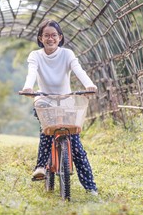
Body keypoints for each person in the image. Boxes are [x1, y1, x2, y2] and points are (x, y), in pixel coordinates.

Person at [20, 19, 98, 196]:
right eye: (46, 35)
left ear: (60, 37)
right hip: (45, 99)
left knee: (76, 145)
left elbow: (78, 70)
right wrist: (28, 87)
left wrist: (89, 85)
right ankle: (41, 166)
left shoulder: (67, 54)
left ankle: (90, 187)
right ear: (40, 38)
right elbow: (32, 71)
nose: (50, 38)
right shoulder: (35, 55)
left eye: (54, 35)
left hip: (66, 100)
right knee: (47, 133)